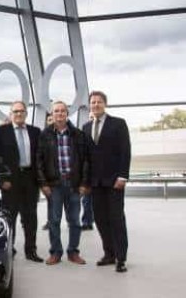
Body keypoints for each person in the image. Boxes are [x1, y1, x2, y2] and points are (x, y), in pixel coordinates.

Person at [82, 91, 131, 273]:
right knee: (101, 219)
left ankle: (121, 258)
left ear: (105, 104)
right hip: (95, 183)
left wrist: (122, 176)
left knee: (116, 219)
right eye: (93, 102)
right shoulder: (86, 127)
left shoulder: (118, 124)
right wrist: (86, 182)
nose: (95, 105)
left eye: (99, 102)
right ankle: (109, 254)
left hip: (114, 181)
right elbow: (85, 157)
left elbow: (125, 151)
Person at [37, 101, 90, 265]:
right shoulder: (44, 135)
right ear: (51, 114)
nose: (59, 114)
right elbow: (38, 162)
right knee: (54, 220)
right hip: (54, 185)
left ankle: (73, 252)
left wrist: (84, 183)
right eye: (56, 111)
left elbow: (86, 161)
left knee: (74, 220)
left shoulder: (78, 135)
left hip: (74, 184)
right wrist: (43, 183)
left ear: (67, 114)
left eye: (62, 111)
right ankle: (56, 252)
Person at [0, 101, 43, 262]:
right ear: (11, 114)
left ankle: (31, 251)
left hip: (30, 180)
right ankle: (9, 250)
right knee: (10, 218)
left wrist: (40, 181)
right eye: (15, 111)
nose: (19, 114)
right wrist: (2, 180)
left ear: (26, 113)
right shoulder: (1, 131)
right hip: (10, 181)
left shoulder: (35, 132)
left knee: (30, 218)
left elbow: (39, 158)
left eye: (21, 111)